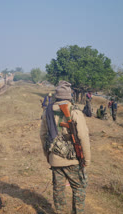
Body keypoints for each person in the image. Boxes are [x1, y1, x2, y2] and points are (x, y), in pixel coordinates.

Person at [40, 80, 91, 214]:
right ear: (69, 96)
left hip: (55, 158)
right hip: (73, 160)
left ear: (57, 95)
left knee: (58, 190)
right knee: (79, 188)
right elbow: (84, 137)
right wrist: (87, 159)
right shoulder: (75, 111)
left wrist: (48, 155)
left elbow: (43, 135)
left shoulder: (47, 111)